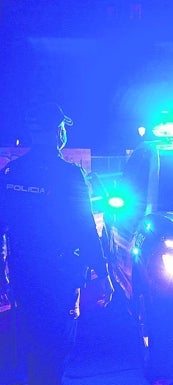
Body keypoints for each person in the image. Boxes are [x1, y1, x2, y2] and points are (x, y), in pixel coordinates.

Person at [0, 102, 114, 385]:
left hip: (24, 273)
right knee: (59, 342)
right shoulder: (68, 174)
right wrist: (102, 274)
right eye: (62, 128)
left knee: (32, 342)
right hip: (60, 274)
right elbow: (85, 228)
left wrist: (3, 274)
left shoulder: (11, 174)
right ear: (57, 131)